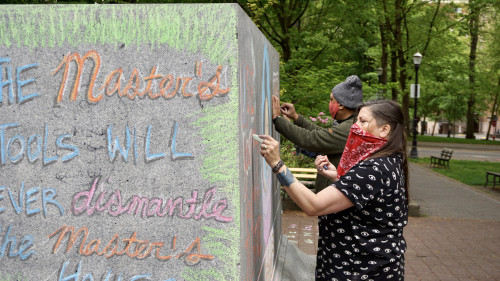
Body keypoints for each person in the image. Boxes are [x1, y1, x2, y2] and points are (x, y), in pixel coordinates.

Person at [260, 100, 409, 280]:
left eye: (363, 121)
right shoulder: (388, 159)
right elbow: (367, 195)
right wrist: (339, 178)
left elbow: (313, 205)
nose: (355, 126)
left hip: (362, 271)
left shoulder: (374, 168)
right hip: (364, 267)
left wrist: (278, 164)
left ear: (384, 129)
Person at [272, 75, 363, 192]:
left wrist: (277, 120)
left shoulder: (350, 129)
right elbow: (322, 133)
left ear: (341, 105)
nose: (329, 103)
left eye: (331, 100)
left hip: (334, 200)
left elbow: (311, 139)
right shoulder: (347, 124)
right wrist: (296, 118)